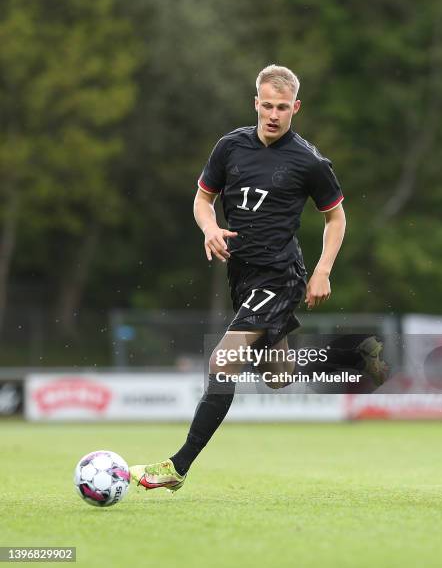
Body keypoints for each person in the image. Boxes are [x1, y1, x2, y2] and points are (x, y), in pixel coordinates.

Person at [130, 64, 386, 492]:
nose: (273, 114)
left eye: (282, 107)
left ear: (295, 108)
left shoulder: (309, 161)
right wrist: (210, 228)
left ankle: (177, 467)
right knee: (277, 374)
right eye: (266, 105)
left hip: (280, 275)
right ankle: (353, 357)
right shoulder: (230, 147)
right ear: (256, 103)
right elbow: (202, 199)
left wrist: (323, 270)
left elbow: (336, 217)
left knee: (222, 364)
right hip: (243, 277)